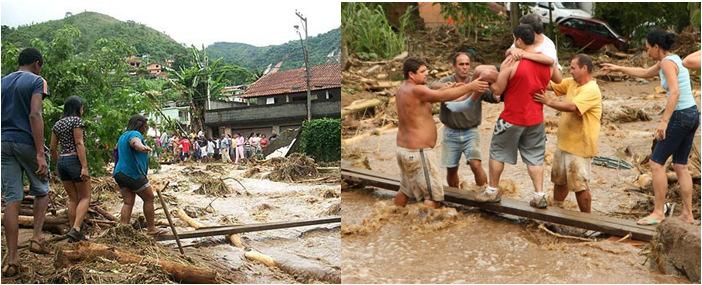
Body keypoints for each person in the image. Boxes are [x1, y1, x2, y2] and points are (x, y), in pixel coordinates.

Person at [602, 29, 699, 225]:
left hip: (680, 116)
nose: (647, 53)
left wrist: (663, 122)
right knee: (681, 165)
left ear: (656, 47)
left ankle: (658, 212)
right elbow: (645, 73)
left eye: (648, 49)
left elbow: (674, 93)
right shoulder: (672, 59)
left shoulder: (667, 63)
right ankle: (688, 214)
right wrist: (618, 68)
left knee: (656, 163)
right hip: (692, 114)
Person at [394, 57, 489, 209]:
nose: (427, 74)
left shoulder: (403, 89)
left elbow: (434, 93)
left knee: (405, 191)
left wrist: (450, 87)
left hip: (403, 150)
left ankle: (395, 217)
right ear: (411, 74)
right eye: (423, 72)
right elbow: (441, 97)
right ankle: (425, 231)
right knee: (434, 198)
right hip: (419, 153)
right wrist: (471, 86)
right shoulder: (418, 90)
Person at [479, 24, 553, 208]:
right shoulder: (546, 64)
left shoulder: (513, 63)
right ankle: (539, 195)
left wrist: (487, 81)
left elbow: (497, 90)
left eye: (514, 39)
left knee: (497, 153)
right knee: (535, 158)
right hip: (536, 118)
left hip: (511, 118)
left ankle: (492, 191)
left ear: (519, 40)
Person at [1, 47, 51, 276]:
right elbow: (35, 114)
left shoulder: (2, 82)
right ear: (37, 63)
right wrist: (40, 153)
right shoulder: (37, 81)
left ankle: (12, 258)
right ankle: (36, 238)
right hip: (25, 142)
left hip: (3, 143)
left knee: (12, 198)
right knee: (42, 189)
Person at [534, 54, 602, 213]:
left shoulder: (592, 89)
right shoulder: (572, 83)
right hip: (564, 143)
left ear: (584, 68)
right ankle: (557, 210)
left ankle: (587, 220)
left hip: (580, 146)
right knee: (559, 180)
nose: (570, 71)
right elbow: (551, 85)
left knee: (579, 185)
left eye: (573, 68)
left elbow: (573, 107)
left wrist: (549, 102)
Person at [430, 50, 500, 189]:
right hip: (450, 132)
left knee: (476, 164)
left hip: (471, 132)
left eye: (467, 64)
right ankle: (456, 195)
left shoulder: (476, 82)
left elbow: (491, 96)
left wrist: (496, 95)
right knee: (451, 168)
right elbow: (432, 85)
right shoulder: (447, 82)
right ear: (454, 66)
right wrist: (446, 88)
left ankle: (484, 191)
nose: (465, 67)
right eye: (461, 64)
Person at [113, 115, 166, 235]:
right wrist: (141, 147)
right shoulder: (134, 134)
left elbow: (116, 150)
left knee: (128, 202)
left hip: (119, 173)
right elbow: (135, 142)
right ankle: (151, 229)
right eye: (145, 126)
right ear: (140, 125)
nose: (146, 129)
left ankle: (123, 229)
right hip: (132, 173)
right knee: (149, 198)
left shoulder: (122, 136)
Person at [49, 96, 92, 241]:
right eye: (82, 107)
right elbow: (79, 143)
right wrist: (84, 167)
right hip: (75, 160)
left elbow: (53, 148)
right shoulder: (76, 121)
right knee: (85, 197)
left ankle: (74, 231)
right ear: (78, 107)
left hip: (62, 161)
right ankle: (76, 228)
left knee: (73, 199)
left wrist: (57, 165)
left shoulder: (58, 124)